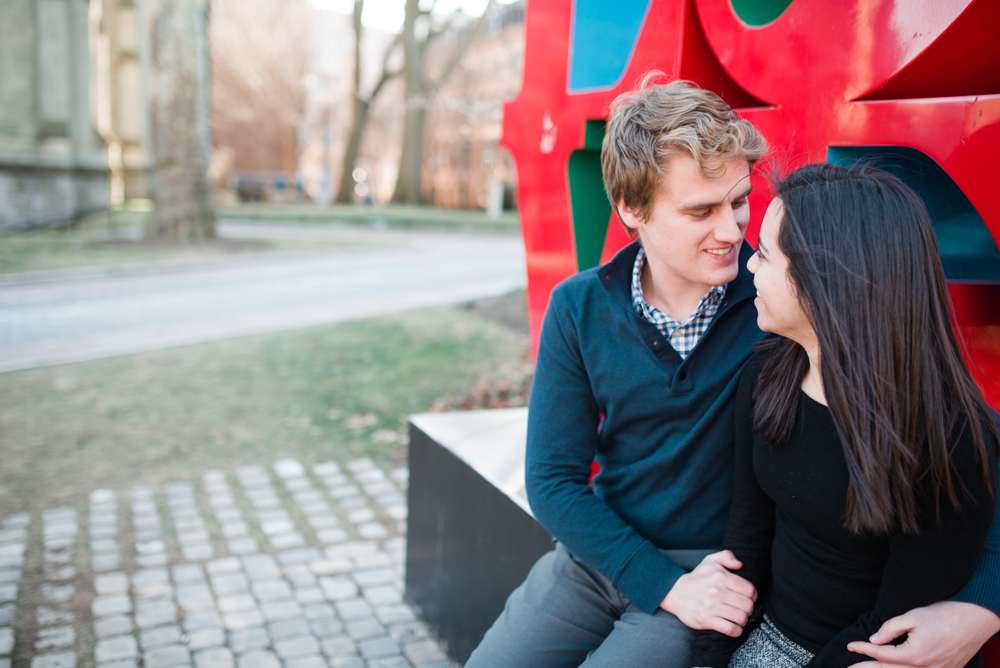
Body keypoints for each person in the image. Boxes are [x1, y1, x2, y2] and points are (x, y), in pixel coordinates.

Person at [463, 78, 1000, 668]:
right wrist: (658, 581)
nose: (732, 232)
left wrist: (980, 607)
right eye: (701, 210)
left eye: (739, 200)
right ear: (630, 210)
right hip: (598, 557)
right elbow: (552, 480)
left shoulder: (786, 302)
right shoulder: (580, 307)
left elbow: (961, 453)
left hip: (713, 575)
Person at [691, 163, 999, 668]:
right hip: (764, 635)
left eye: (765, 255)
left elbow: (892, 625)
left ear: (823, 279)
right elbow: (745, 541)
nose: (748, 266)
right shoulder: (766, 376)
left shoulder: (949, 439)